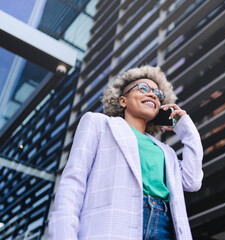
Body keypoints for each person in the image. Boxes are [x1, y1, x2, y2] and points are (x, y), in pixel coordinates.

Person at [48, 65, 204, 239]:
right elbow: (73, 183)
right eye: (144, 88)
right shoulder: (98, 124)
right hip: (112, 224)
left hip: (163, 227)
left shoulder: (166, 152)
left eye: (158, 94)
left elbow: (193, 181)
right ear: (123, 100)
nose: (152, 94)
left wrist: (185, 128)